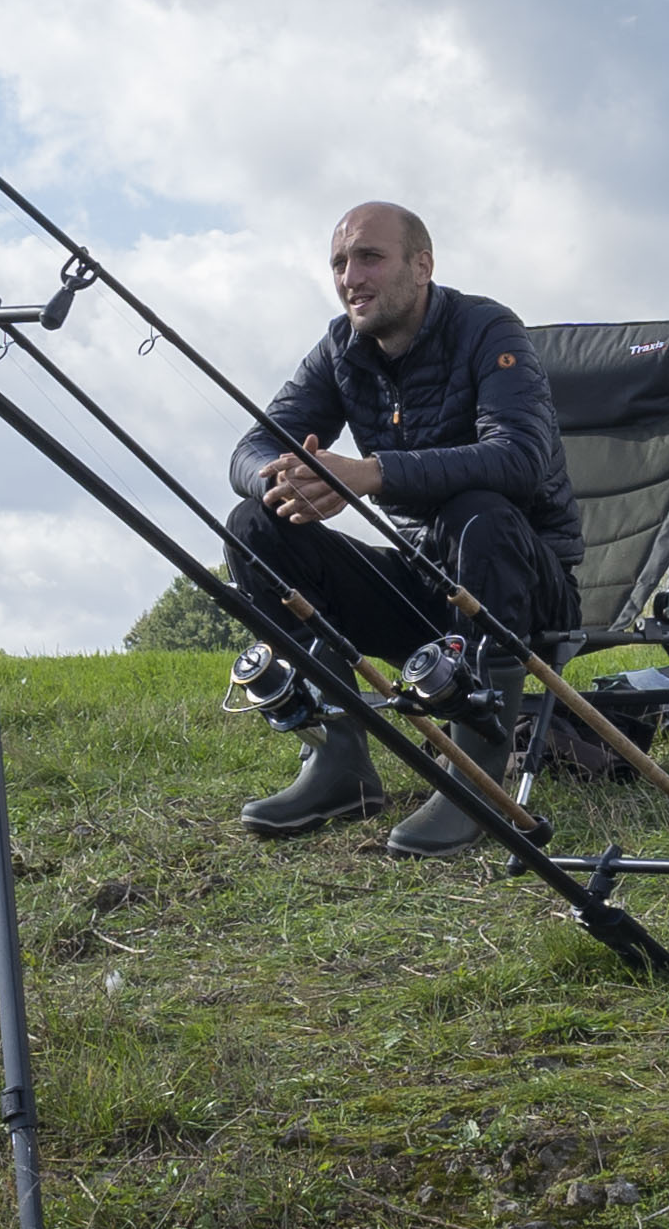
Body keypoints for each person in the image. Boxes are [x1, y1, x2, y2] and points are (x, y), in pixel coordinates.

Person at [226, 200, 584, 855]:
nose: (350, 277)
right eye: (339, 262)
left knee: (477, 510)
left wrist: (371, 473)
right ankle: (337, 761)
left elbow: (520, 458)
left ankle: (474, 780)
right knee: (255, 524)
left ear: (422, 266)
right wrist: (286, 479)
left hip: (525, 586)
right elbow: (250, 448)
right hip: (422, 587)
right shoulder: (340, 347)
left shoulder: (489, 329)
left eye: (369, 257)